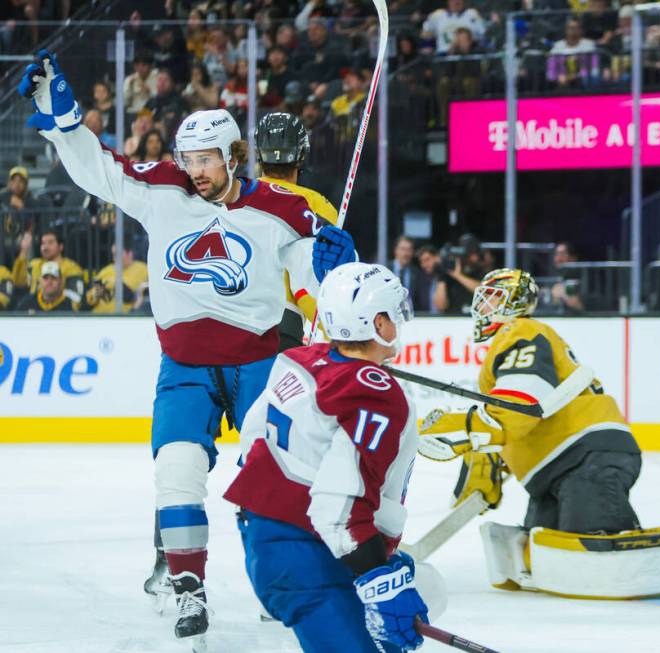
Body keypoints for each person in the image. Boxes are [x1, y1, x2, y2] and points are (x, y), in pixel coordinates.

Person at [19, 51, 356, 647]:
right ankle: (185, 586)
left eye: (207, 160)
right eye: (189, 159)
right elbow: (100, 169)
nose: (196, 171)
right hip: (184, 367)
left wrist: (340, 270)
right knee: (176, 473)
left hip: (259, 363)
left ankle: (289, 579)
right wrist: (65, 122)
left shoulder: (284, 210)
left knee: (280, 476)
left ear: (233, 158)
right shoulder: (162, 190)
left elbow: (323, 286)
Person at [419, 268, 660, 598]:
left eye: (493, 298)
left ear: (515, 302)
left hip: (585, 455)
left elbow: (520, 406)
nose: (484, 307)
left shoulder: (522, 331)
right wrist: (490, 457)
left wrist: (462, 428)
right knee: (543, 550)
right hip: (556, 468)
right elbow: (517, 419)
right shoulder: (512, 342)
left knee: (588, 550)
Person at [225, 261, 430, 652]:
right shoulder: (374, 393)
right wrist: (377, 578)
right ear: (378, 324)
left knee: (420, 595)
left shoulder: (301, 359)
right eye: (394, 313)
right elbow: (337, 507)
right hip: (305, 552)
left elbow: (253, 434)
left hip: (267, 538)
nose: (400, 322)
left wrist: (379, 555)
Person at [254, 111, 338, 350]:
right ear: (302, 154)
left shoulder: (234, 197)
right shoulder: (316, 206)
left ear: (259, 154)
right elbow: (319, 283)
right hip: (281, 327)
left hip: (226, 326)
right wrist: (342, 337)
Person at [11, 228, 84, 298]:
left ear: (60, 247)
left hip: (60, 308)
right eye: (43, 243)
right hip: (34, 307)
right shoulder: (34, 265)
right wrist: (24, 251)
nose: (45, 247)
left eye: (50, 242)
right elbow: (18, 282)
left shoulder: (71, 268)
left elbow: (75, 297)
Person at [80, 239, 149, 313]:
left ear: (130, 253)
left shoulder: (144, 269)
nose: (114, 258)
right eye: (113, 255)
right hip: (98, 316)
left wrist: (115, 284)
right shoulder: (106, 270)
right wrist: (96, 293)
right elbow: (88, 298)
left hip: (125, 318)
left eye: (117, 254)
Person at [421, 0, 486, 54]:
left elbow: (483, 36)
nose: (456, 2)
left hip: (467, 55)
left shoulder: (472, 14)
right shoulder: (437, 15)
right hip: (443, 56)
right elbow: (426, 35)